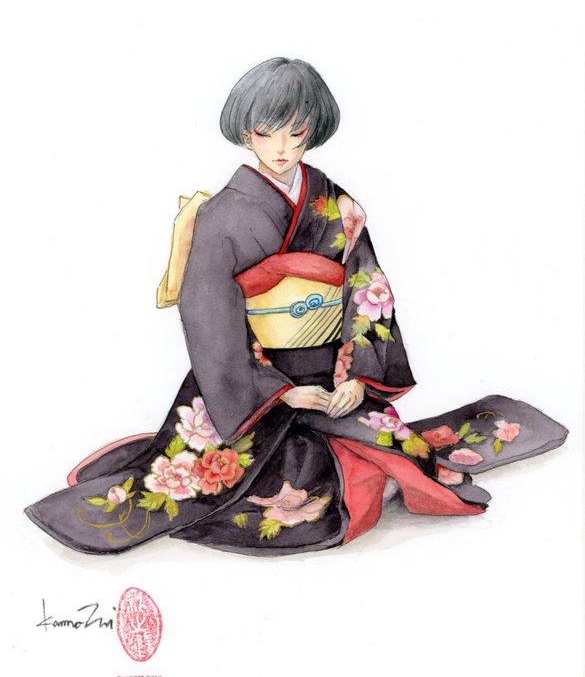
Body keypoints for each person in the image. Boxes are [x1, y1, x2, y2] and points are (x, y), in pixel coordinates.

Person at [25, 58, 568, 556]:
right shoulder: (221, 217)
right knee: (269, 484)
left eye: (296, 132)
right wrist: (280, 391)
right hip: (253, 381)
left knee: (402, 452)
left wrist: (356, 377)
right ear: (245, 133)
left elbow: (367, 286)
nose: (282, 148)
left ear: (314, 129)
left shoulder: (336, 203)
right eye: (266, 133)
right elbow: (209, 318)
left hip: (332, 373)